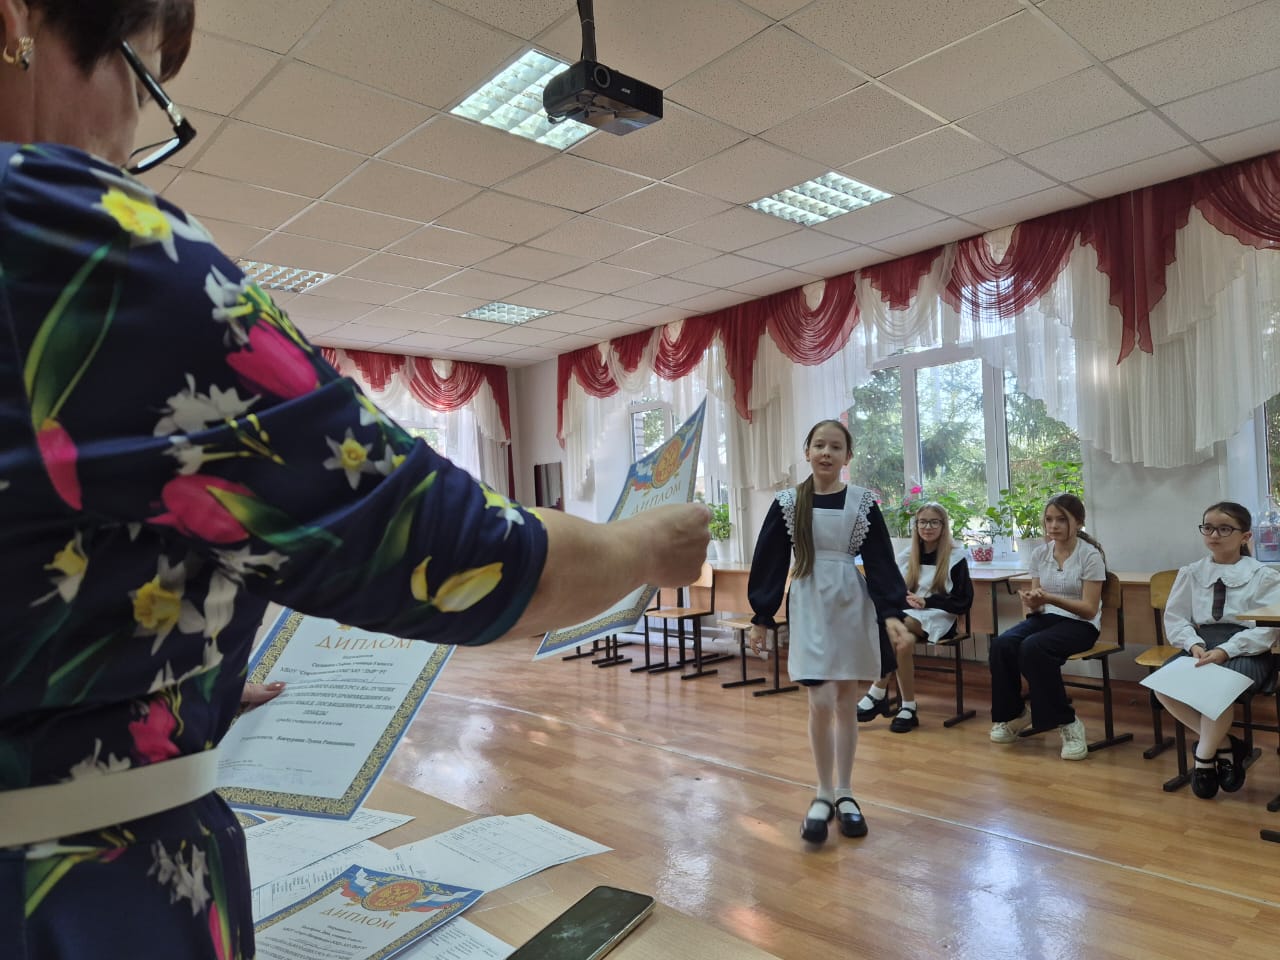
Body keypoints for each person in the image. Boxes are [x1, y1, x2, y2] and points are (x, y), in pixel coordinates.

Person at [0, 4, 710, 957]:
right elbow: (458, 554)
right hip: (71, 899)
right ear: (13, 24)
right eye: (140, 76)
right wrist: (644, 545)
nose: (133, 141)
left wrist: (173, 684)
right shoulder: (68, 233)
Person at [746, 420, 910, 845]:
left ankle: (845, 792)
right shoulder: (787, 503)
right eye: (819, 445)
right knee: (819, 700)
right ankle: (822, 791)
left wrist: (892, 613)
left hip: (851, 604)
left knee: (844, 701)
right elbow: (770, 560)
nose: (826, 452)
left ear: (847, 457)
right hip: (809, 603)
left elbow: (880, 560)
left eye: (836, 447)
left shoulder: (863, 502)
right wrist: (762, 616)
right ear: (807, 452)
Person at [1154, 502, 1280, 799]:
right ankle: (1224, 745)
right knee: (1162, 687)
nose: (1214, 535)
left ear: (1245, 536)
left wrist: (1226, 650)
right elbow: (1175, 618)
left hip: (1246, 649)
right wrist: (1193, 644)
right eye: (1208, 528)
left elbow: (1267, 629)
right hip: (1200, 645)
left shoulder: (1263, 575)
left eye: (1224, 529)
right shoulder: (1191, 572)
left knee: (1217, 690)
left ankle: (1203, 759)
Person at [987, 493, 1105, 761]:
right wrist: (1033, 602)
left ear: (1079, 522)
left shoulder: (1090, 556)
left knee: (1033, 648)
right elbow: (1037, 607)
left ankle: (1068, 724)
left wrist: (1049, 598)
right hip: (1046, 619)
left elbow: (1089, 609)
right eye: (1049, 519)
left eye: (1061, 520)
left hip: (1082, 625)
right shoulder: (1040, 553)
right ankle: (1015, 714)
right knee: (1002, 644)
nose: (1053, 526)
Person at [857, 502, 973, 732]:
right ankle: (908, 708)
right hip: (911, 614)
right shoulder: (907, 555)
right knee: (903, 640)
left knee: (897, 626)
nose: (927, 527)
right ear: (916, 525)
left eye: (934, 522)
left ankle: (878, 691)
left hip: (940, 616)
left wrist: (928, 602)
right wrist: (905, 601)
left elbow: (962, 601)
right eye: (922, 522)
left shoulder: (956, 557)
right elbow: (894, 589)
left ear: (943, 526)